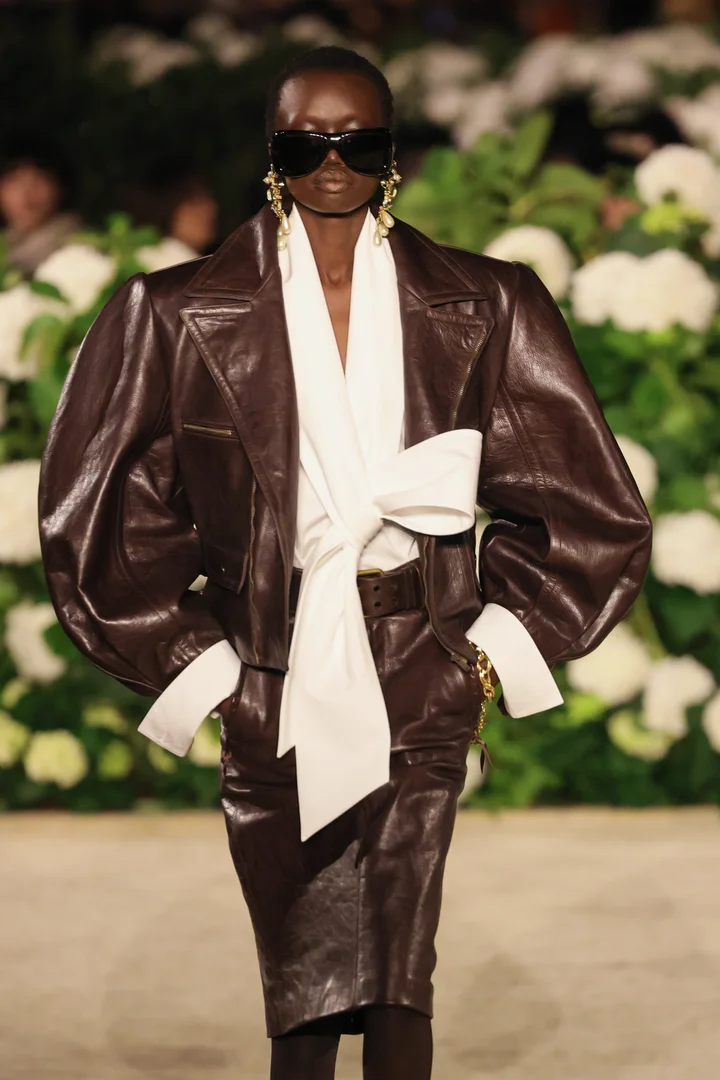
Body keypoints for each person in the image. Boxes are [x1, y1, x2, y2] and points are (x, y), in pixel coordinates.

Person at [38, 46, 653, 1080]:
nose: (333, 163)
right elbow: (101, 517)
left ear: (393, 152)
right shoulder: (173, 311)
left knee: (400, 968)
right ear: (272, 154)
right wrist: (209, 672)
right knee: (306, 987)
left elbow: (587, 503)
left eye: (358, 142)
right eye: (306, 143)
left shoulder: (487, 300)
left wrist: (486, 656)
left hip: (422, 654)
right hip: (270, 666)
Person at [0, 156, 82, 276]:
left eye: (38, 180)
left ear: (60, 188)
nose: (26, 193)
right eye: (14, 180)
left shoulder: (78, 246)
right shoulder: (6, 244)